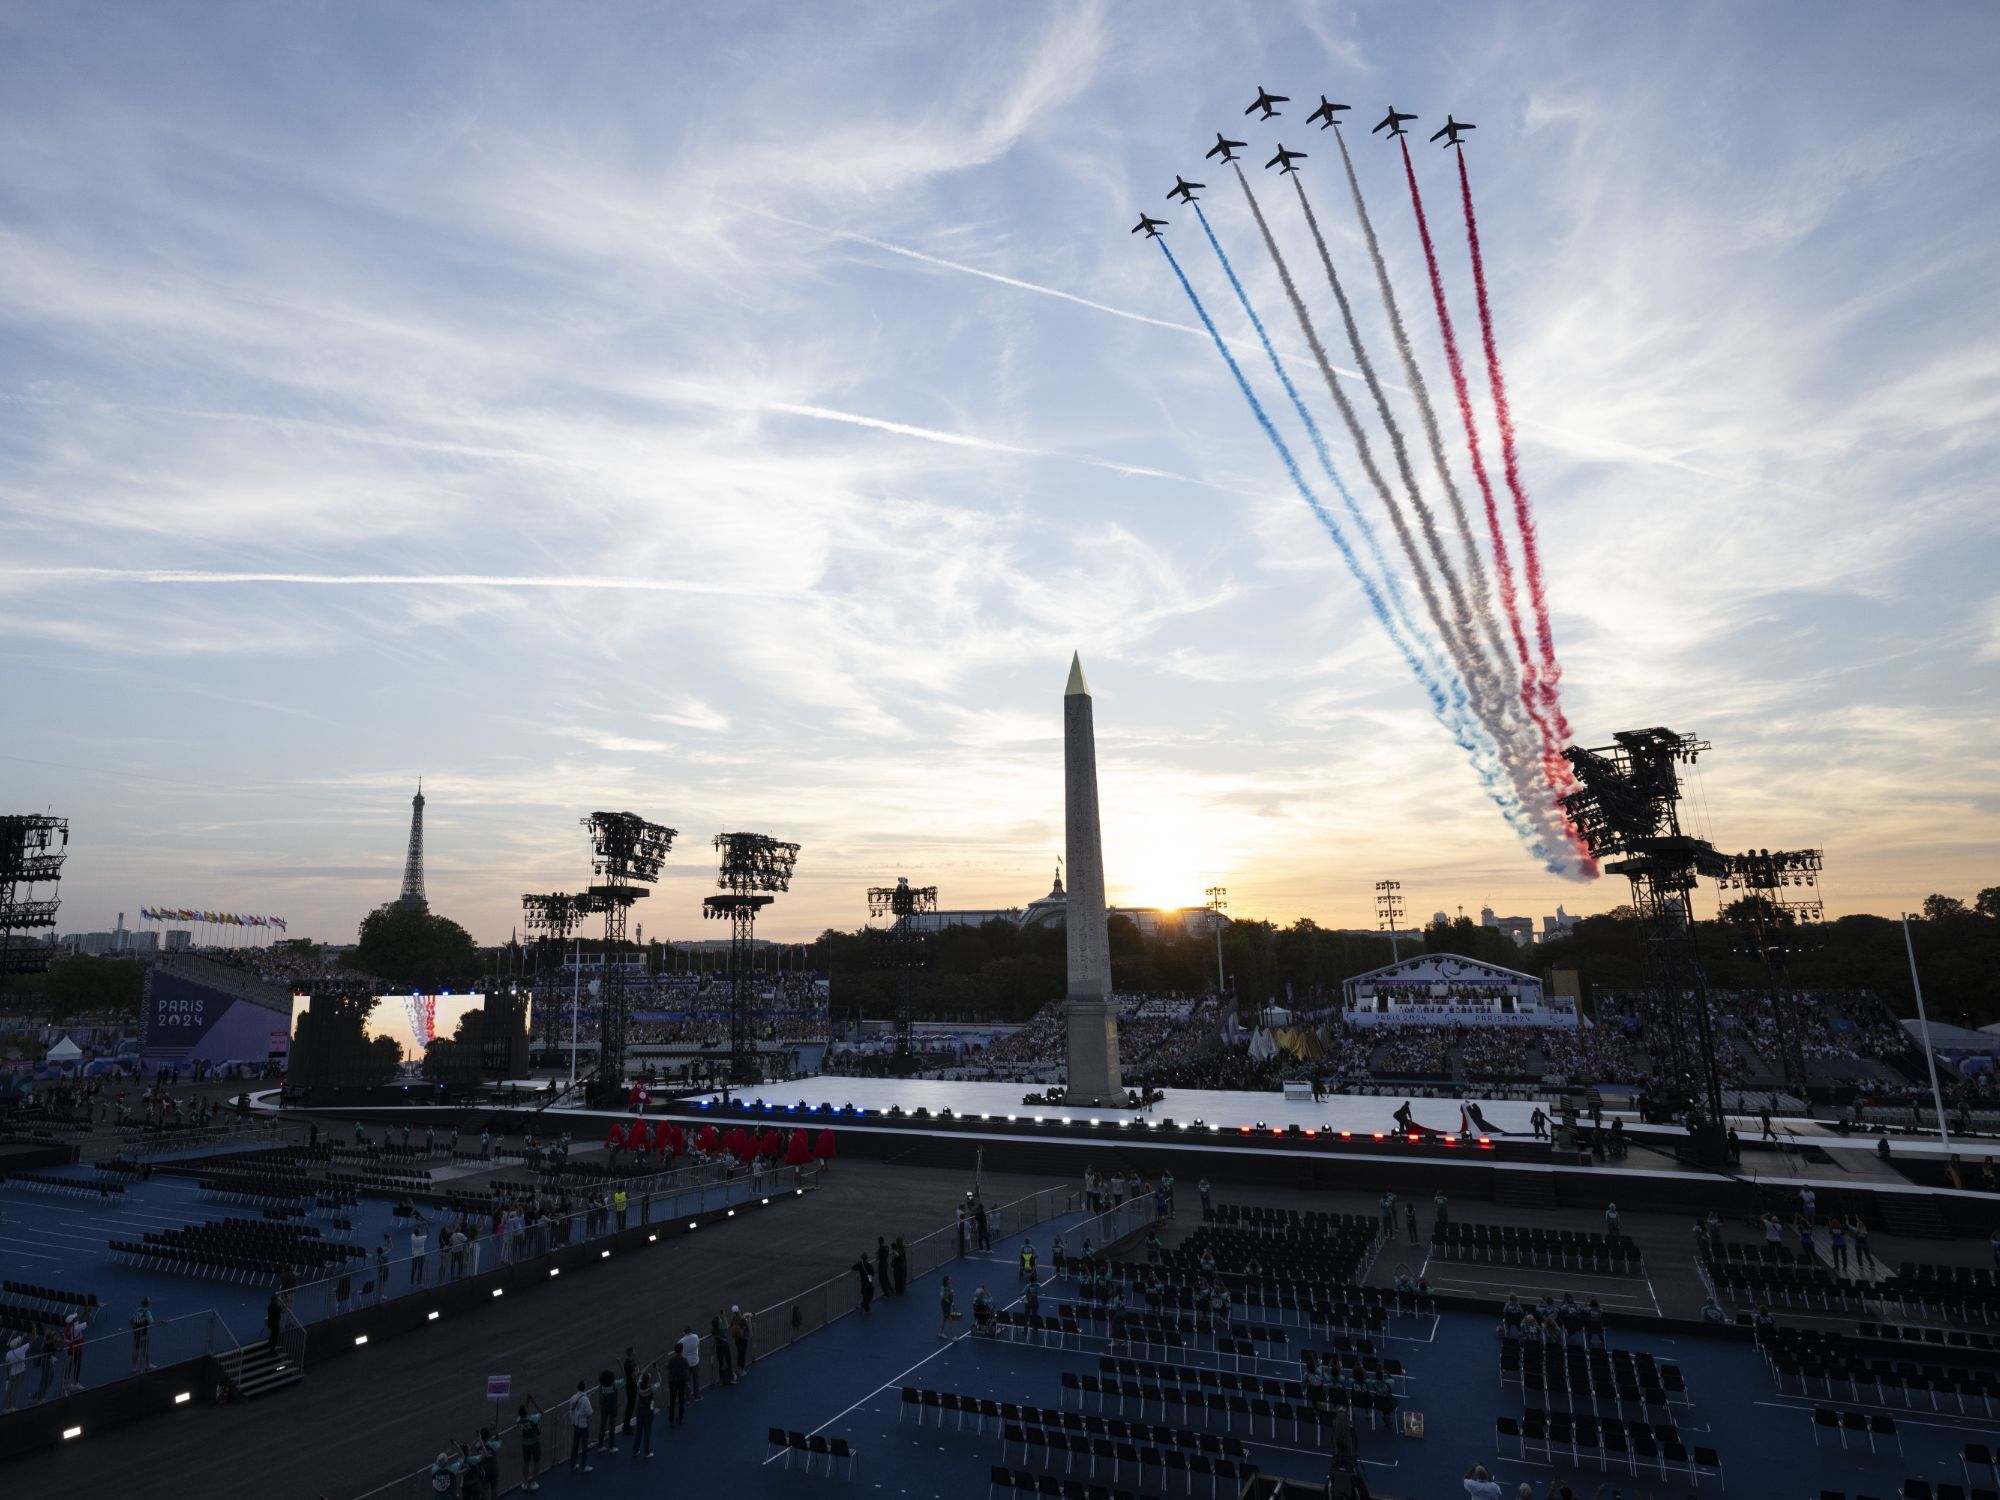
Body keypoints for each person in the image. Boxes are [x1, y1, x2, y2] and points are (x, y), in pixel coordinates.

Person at [631, 1363, 658, 1458]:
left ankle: (635, 1450)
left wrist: (647, 1366)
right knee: (647, 1432)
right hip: (648, 1412)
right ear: (648, 1380)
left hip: (639, 1410)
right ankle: (646, 1452)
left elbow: (641, 1375)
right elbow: (660, 1380)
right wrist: (656, 1369)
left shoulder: (639, 1386)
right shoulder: (651, 1388)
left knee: (638, 1430)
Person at [566, 1381, 594, 1472]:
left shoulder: (573, 1398)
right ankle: (583, 1466)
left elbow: (571, 1411)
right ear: (584, 1388)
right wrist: (586, 1417)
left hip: (575, 1425)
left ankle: (573, 1464)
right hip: (583, 1426)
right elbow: (590, 1412)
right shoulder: (585, 1399)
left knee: (575, 1445)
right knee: (584, 1446)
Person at [517, 1395, 544, 1491]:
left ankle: (525, 1482)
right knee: (537, 1462)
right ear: (526, 1412)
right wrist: (534, 1402)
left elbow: (524, 1412)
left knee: (526, 1463)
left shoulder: (518, 1421)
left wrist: (527, 1402)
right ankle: (533, 1483)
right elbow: (541, 1412)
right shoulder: (533, 1418)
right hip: (534, 1443)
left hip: (525, 1444)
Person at [595, 1366, 619, 1451]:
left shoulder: (601, 1387)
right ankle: (611, 1447)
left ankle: (600, 1446)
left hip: (604, 1408)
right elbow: (624, 1379)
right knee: (611, 1427)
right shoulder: (614, 1385)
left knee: (602, 1426)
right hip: (612, 1408)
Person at [666, 1343, 691, 1426]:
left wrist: (669, 1382)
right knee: (681, 1400)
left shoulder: (671, 1360)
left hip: (673, 1382)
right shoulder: (684, 1360)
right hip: (681, 1382)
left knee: (672, 1401)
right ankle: (680, 1418)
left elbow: (669, 1371)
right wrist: (687, 1382)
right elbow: (687, 1373)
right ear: (682, 1350)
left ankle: (671, 1420)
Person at [130, 1296, 154, 1373]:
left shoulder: (137, 1310)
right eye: (150, 1300)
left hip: (136, 1333)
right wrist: (162, 1322)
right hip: (144, 1334)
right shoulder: (147, 1312)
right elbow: (151, 1322)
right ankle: (148, 1365)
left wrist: (135, 1328)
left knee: (136, 1350)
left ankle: (134, 1367)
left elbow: (131, 1320)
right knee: (145, 1350)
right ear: (148, 1303)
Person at [3, 1334, 26, 1412]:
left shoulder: (8, 1353)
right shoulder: (20, 1352)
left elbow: (7, 1366)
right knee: (13, 1391)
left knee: (9, 1391)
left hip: (11, 1374)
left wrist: (7, 1376)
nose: (20, 1344)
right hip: (18, 1374)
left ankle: (6, 1407)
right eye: (18, 1343)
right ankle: (9, 1407)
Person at [678, 1325, 701, 1401]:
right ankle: (697, 1396)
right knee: (696, 1380)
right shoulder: (696, 1337)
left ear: (684, 1332)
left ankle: (688, 1398)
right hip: (695, 1361)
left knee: (687, 1382)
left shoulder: (681, 1341)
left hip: (686, 1364)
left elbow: (678, 1350)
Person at [731, 1306, 752, 1372]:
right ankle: (742, 1369)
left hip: (737, 1339)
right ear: (738, 1311)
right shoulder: (742, 1319)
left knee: (739, 1353)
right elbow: (747, 1326)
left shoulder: (732, 1319)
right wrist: (748, 1318)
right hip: (743, 1338)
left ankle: (738, 1367)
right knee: (743, 1354)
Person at [938, 1275, 958, 1339]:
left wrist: (953, 1304)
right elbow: (942, 1298)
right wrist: (950, 1293)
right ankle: (953, 1337)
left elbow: (951, 1296)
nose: (950, 1280)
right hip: (945, 1306)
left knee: (944, 1319)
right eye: (949, 1279)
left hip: (948, 1304)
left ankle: (940, 1333)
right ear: (946, 1280)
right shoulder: (942, 1288)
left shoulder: (949, 1286)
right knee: (950, 1320)